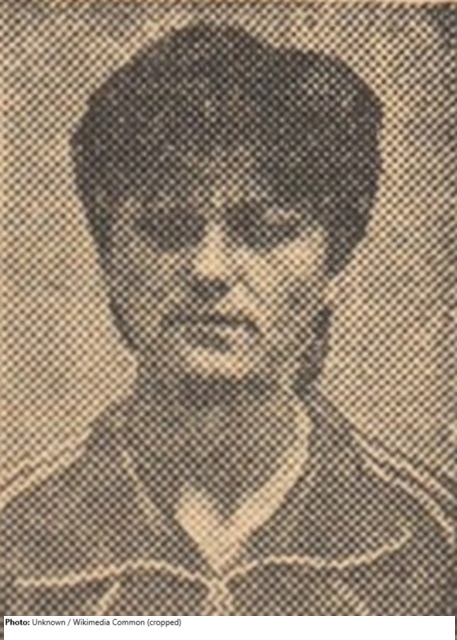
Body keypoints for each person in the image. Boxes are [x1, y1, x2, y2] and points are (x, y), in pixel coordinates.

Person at [1, 21, 454, 616]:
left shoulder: (430, 540)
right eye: (167, 226)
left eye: (265, 230)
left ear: (335, 268)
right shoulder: (17, 535)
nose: (208, 269)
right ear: (108, 261)